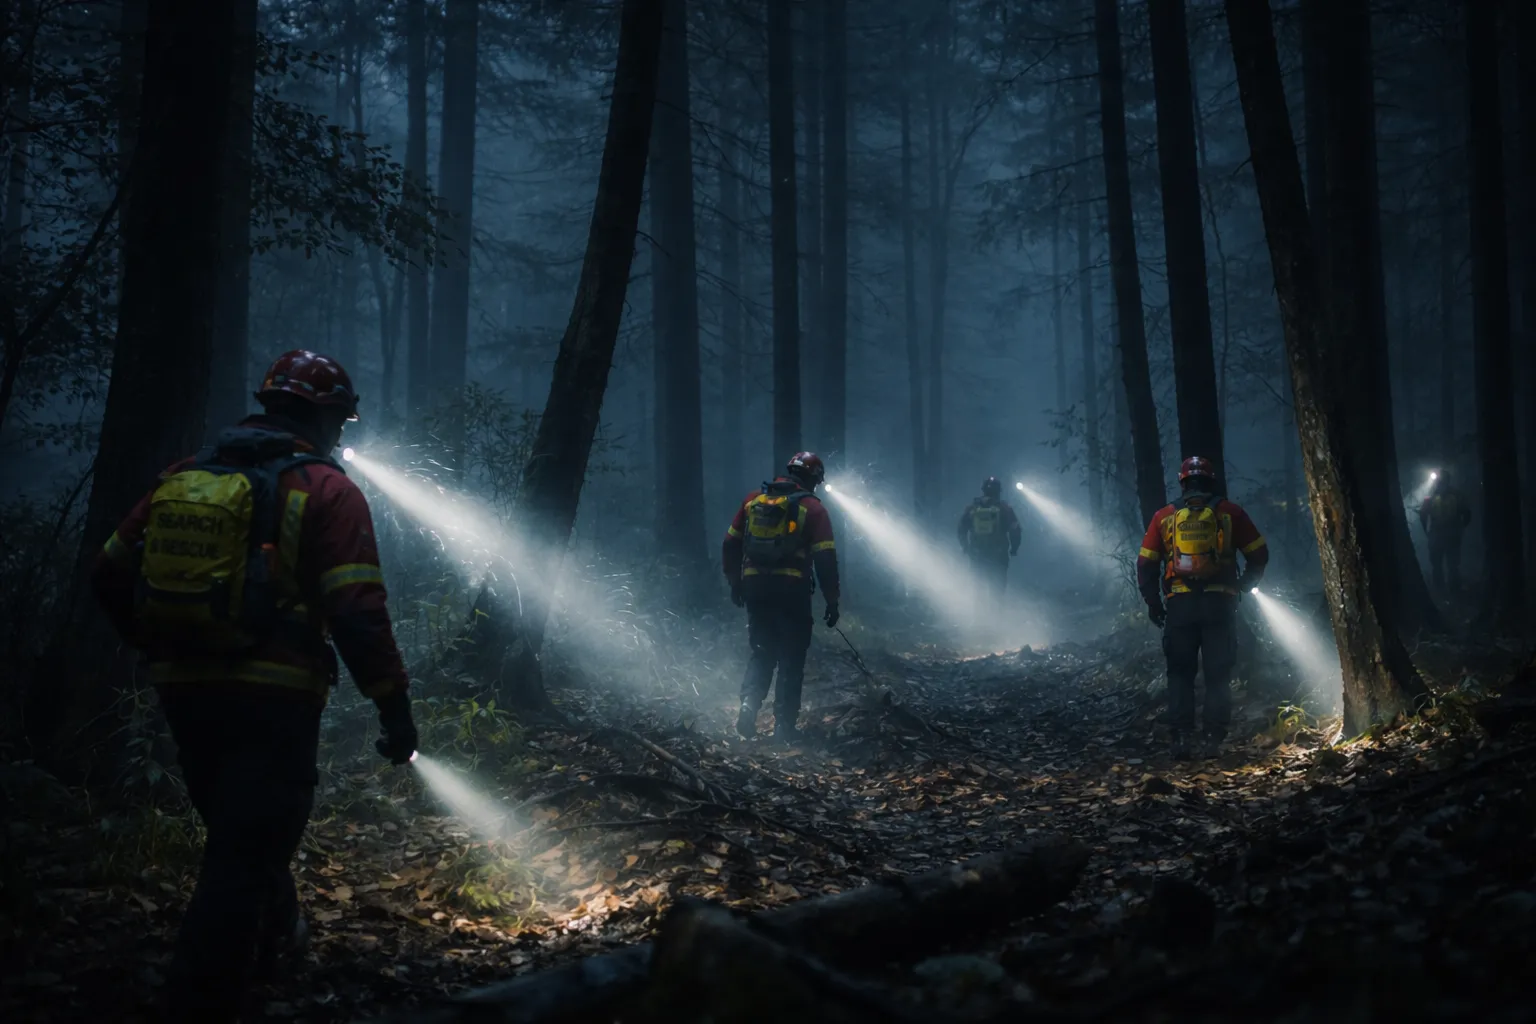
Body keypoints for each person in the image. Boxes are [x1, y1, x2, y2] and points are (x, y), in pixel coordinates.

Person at [92, 350, 418, 1023]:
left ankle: (274, 945)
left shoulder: (182, 478)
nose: (341, 435)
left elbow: (109, 570)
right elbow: (357, 612)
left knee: (240, 834)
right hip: (274, 699)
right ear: (322, 417)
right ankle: (198, 1001)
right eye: (339, 421)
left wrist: (152, 643)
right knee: (245, 848)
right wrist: (394, 708)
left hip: (184, 690)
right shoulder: (327, 490)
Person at [1136, 456, 1269, 760]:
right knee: (1218, 674)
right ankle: (1212, 739)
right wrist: (1245, 584)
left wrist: (1153, 603)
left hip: (1180, 606)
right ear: (1211, 482)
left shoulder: (1164, 517)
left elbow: (1145, 563)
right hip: (1219, 605)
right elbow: (1259, 553)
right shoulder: (1230, 513)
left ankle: (1181, 738)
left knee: (1180, 673)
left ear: (1183, 483)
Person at [722, 452, 840, 741]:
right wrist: (832, 600)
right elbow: (825, 559)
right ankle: (783, 728)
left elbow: (730, 543)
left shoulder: (753, 501)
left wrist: (736, 583)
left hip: (755, 588)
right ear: (813, 479)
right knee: (791, 657)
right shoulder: (813, 509)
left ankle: (749, 706)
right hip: (791, 592)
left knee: (762, 652)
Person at [958, 476, 1022, 599]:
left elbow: (961, 529)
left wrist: (965, 546)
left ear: (983, 490)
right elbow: (1015, 530)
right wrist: (1014, 548)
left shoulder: (972, 508)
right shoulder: (1005, 509)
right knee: (997, 590)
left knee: (978, 588)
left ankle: (979, 610)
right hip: (998, 555)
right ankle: (996, 610)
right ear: (999, 491)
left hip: (977, 554)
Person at [1418, 470, 1472, 592]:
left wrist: (1427, 531)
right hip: (1445, 534)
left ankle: (1447, 588)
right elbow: (1467, 513)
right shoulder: (1434, 496)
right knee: (1445, 564)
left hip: (1444, 534)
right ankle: (1447, 589)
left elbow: (1423, 515)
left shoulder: (1434, 496)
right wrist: (1461, 528)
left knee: (1447, 564)